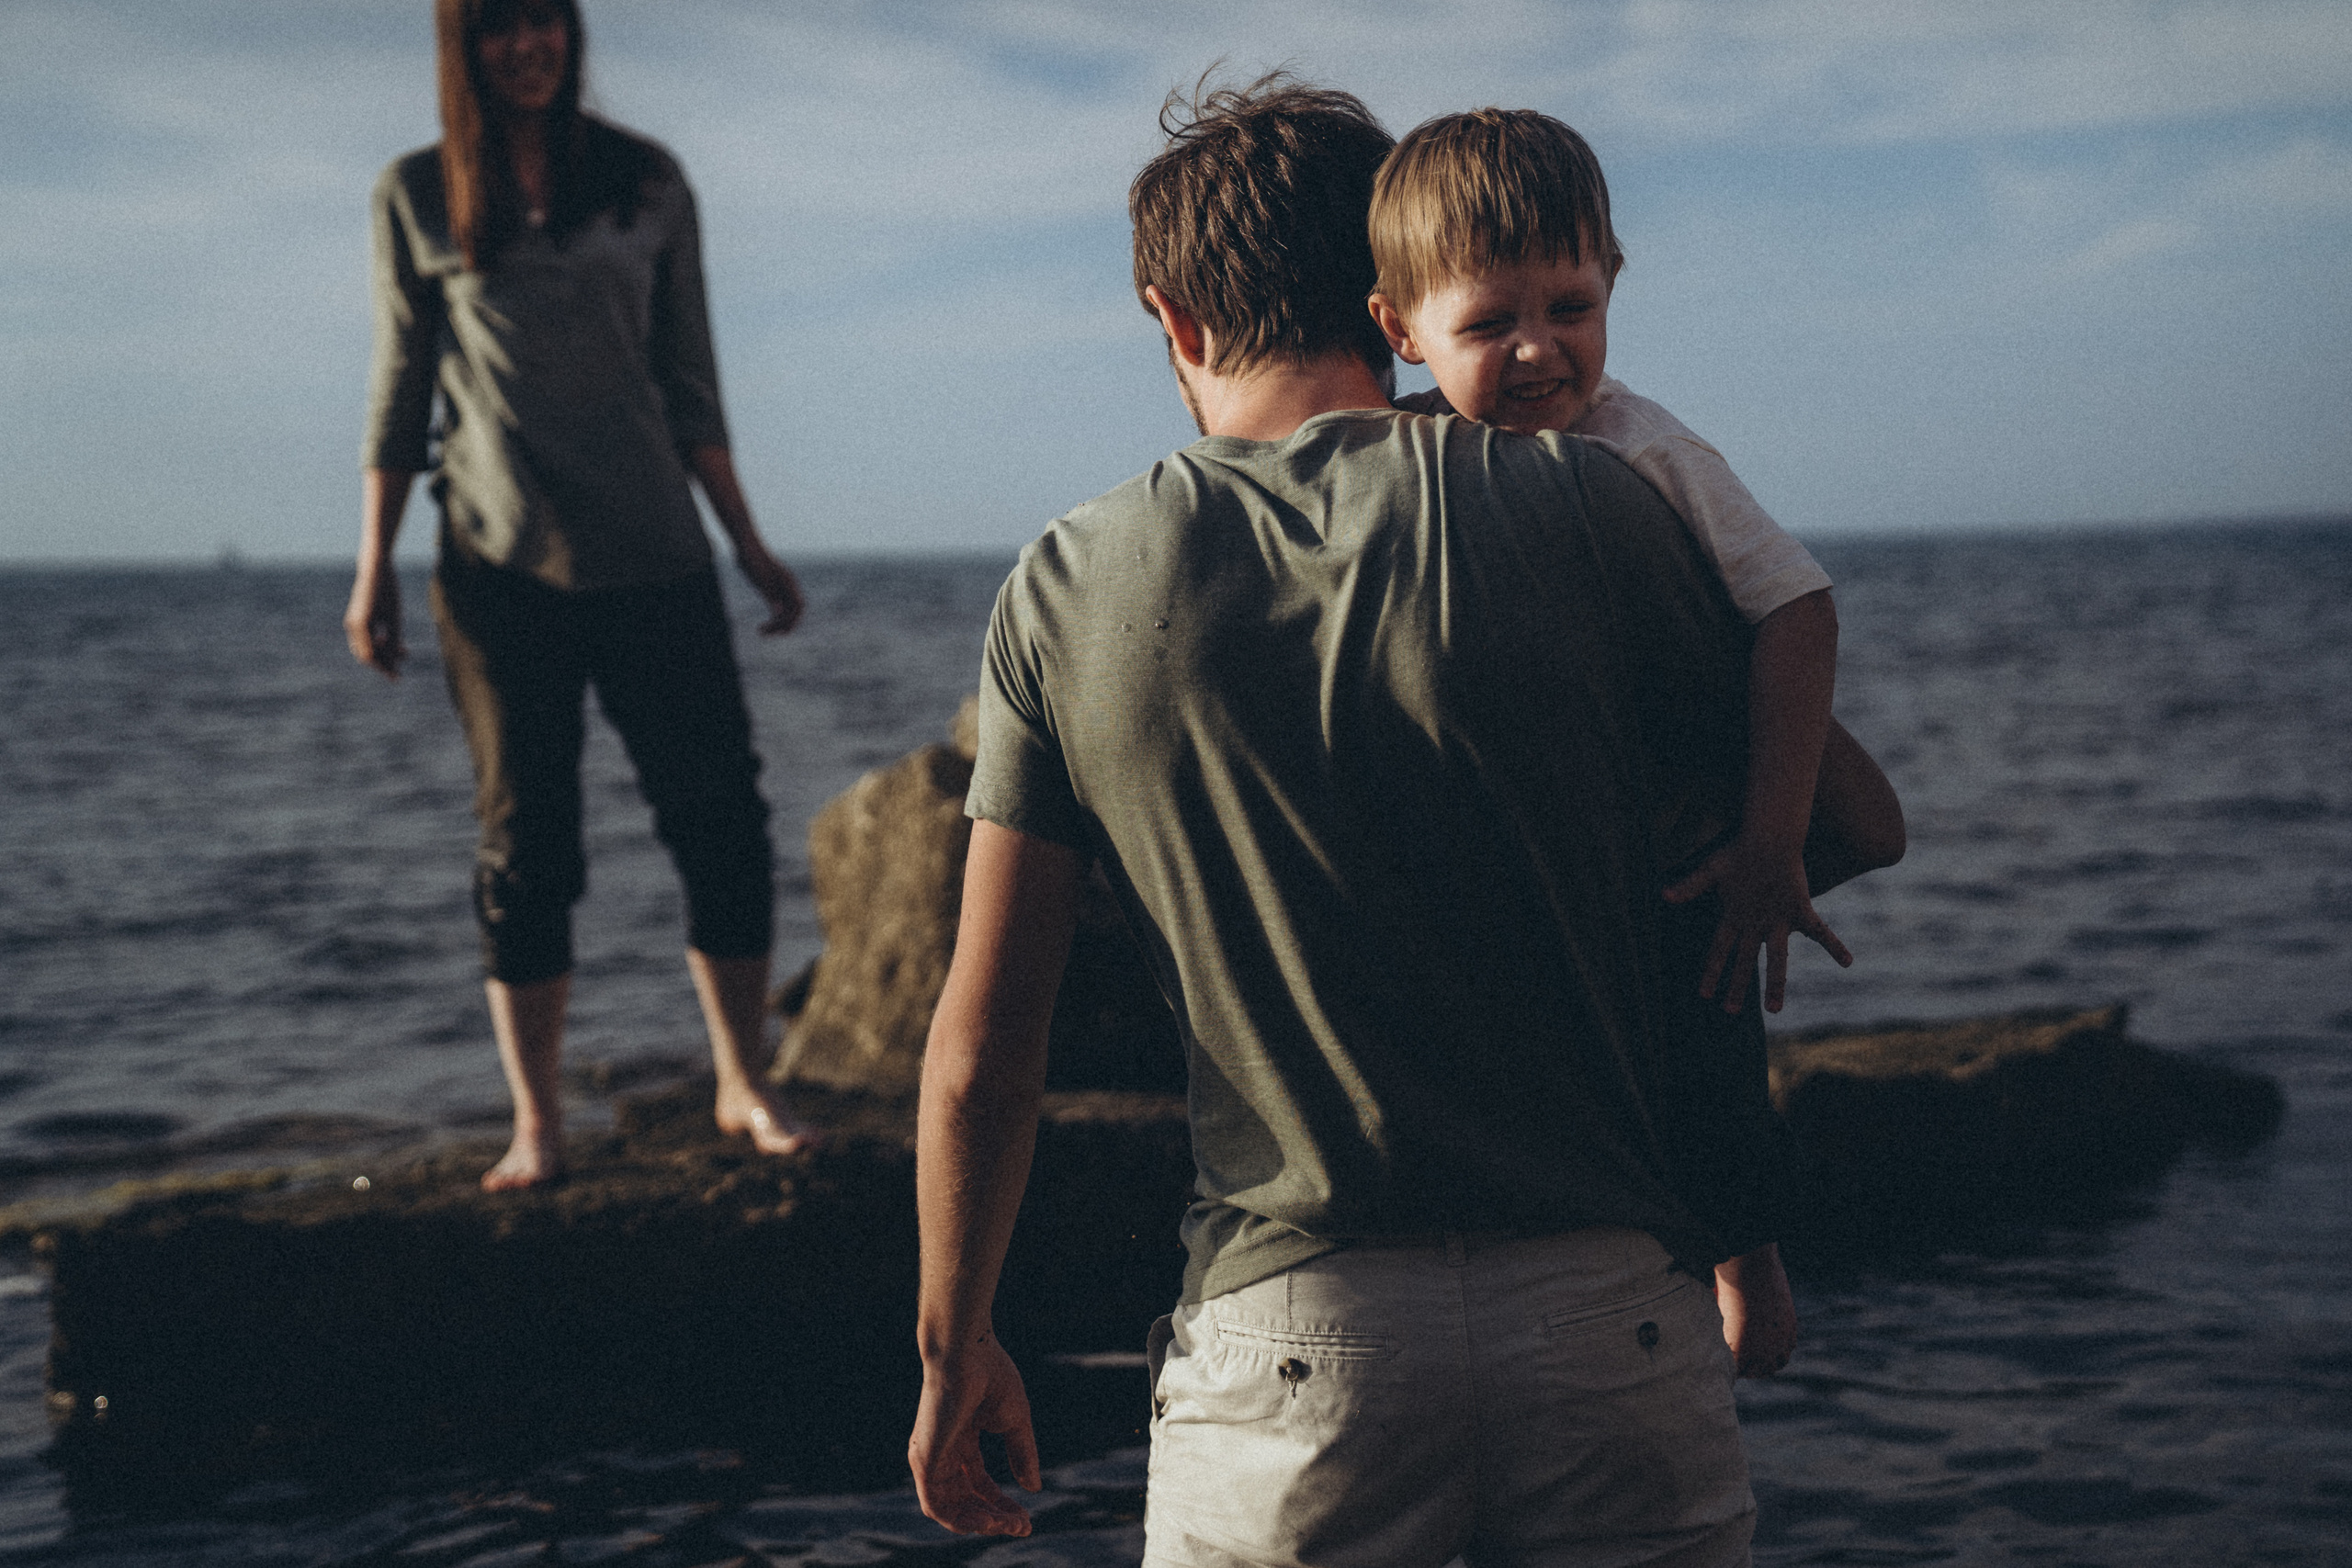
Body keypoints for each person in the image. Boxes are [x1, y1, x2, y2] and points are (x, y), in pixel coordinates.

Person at [908, 75, 1901, 1565]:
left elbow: (987, 1046)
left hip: (1290, 1343)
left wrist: (956, 1340)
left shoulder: (1065, 580)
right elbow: (1858, 819)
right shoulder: (1594, 501)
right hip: (1613, 1319)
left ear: (1175, 321)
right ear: (1389, 301)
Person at [345, 0, 813, 1190]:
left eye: (544, 21)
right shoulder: (416, 193)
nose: (528, 46)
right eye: (500, 27)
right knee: (525, 845)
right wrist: (373, 568)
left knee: (721, 820)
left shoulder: (648, 181)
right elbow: (402, 389)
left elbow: (691, 383)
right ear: (466, 46)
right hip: (497, 565)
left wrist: (749, 545)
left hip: (655, 554)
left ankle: (743, 1082)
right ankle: (538, 1123)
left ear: (571, 32)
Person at [1370, 107, 1905, 1020]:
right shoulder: (1412, 440)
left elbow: (1800, 607)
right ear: (1401, 329)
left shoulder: (1640, 446)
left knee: (1867, 827)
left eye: (1570, 309)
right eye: (1490, 322)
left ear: (1610, 282)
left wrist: (1770, 845)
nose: (1537, 348)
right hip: (1585, 808)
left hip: (1710, 781)